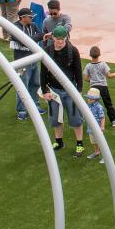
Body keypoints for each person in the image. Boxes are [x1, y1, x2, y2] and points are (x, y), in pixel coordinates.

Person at [40, 25, 84, 156]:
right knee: (55, 118)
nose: (60, 41)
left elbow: (78, 72)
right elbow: (43, 72)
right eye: (58, 39)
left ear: (66, 38)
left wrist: (79, 90)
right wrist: (44, 91)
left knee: (75, 118)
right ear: (53, 37)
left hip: (70, 90)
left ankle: (79, 144)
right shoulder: (47, 50)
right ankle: (59, 141)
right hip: (53, 90)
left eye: (62, 39)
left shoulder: (73, 51)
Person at [11, 7, 44, 121]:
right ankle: (22, 109)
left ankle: (35, 105)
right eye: (30, 17)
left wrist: (32, 38)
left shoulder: (33, 25)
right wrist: (33, 38)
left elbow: (40, 34)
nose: (32, 18)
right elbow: (25, 41)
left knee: (35, 83)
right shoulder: (14, 28)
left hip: (33, 59)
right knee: (22, 86)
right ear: (22, 17)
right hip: (22, 63)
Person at [84, 45, 115, 127]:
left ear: (90, 55)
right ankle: (114, 120)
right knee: (108, 104)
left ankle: (93, 121)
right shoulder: (103, 64)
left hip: (93, 87)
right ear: (99, 54)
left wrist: (93, 81)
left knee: (92, 104)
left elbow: (86, 78)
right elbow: (109, 76)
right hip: (103, 87)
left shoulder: (88, 66)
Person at [84, 88, 106, 161]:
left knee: (100, 142)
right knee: (93, 141)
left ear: (96, 99)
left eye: (90, 99)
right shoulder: (88, 105)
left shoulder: (99, 107)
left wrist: (102, 126)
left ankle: (105, 156)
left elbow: (102, 117)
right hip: (90, 127)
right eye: (88, 98)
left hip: (97, 128)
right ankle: (96, 152)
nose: (88, 100)